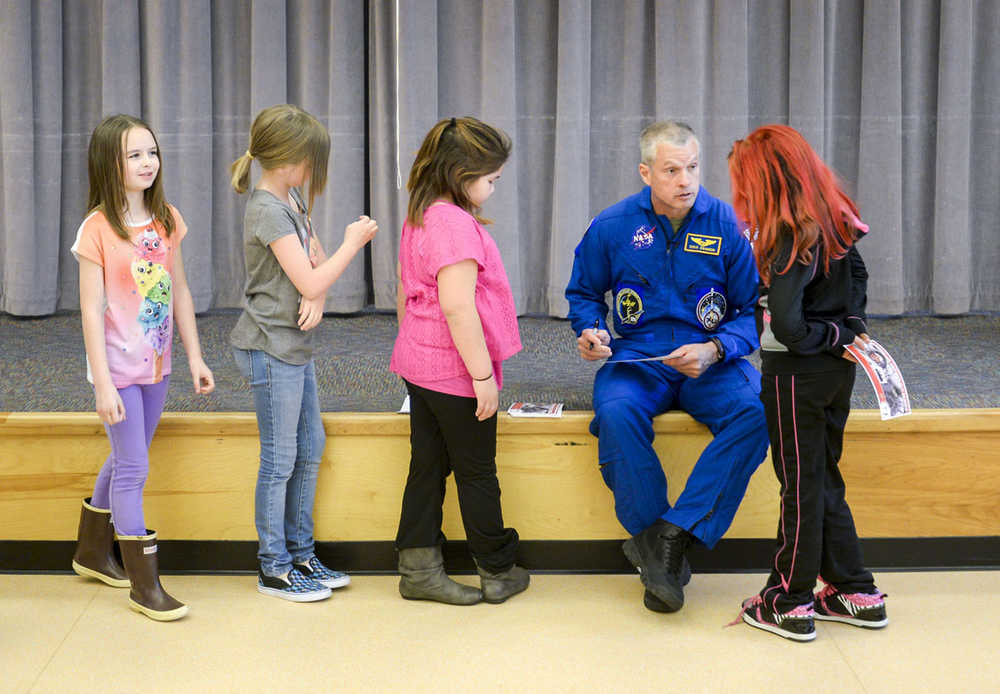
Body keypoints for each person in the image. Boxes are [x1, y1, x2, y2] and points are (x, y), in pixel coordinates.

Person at [565, 120, 769, 613]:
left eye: (693, 167)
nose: (686, 180)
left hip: (711, 359)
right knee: (615, 414)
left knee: (759, 413)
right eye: (672, 169)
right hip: (639, 358)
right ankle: (656, 542)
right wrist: (590, 331)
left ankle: (673, 535)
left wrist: (716, 349)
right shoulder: (612, 226)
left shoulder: (727, 224)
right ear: (645, 173)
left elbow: (751, 311)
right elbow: (584, 294)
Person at [728, 124, 888, 641]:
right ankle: (854, 591)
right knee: (822, 478)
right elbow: (859, 283)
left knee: (799, 486)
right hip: (838, 371)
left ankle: (789, 599)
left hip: (795, 376)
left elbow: (791, 328)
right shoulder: (836, 218)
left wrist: (824, 330)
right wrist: (846, 330)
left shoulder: (790, 234)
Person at [230, 104, 378, 602]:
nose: (315, 170)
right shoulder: (267, 210)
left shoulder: (291, 198)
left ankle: (301, 553)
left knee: (309, 447)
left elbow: (314, 268)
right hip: (270, 347)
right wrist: (352, 243)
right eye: (311, 159)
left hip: (294, 345)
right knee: (280, 459)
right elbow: (317, 272)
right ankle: (274, 566)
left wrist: (315, 293)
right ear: (290, 158)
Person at [71, 114, 215, 621]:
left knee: (128, 453)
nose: (147, 162)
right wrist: (103, 384)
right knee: (134, 466)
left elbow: (179, 290)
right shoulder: (96, 229)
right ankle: (144, 584)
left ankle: (91, 552)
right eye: (134, 154)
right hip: (115, 370)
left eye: (151, 152)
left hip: (158, 365)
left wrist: (194, 355)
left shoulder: (167, 219)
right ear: (110, 163)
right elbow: (90, 309)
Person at [390, 116, 529, 605]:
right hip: (454, 371)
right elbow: (457, 305)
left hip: (419, 363)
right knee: (476, 471)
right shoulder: (453, 224)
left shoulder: (423, 211)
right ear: (460, 173)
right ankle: (497, 569)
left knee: (427, 466)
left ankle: (418, 569)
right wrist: (483, 376)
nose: (494, 184)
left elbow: (419, 294)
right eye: (490, 177)